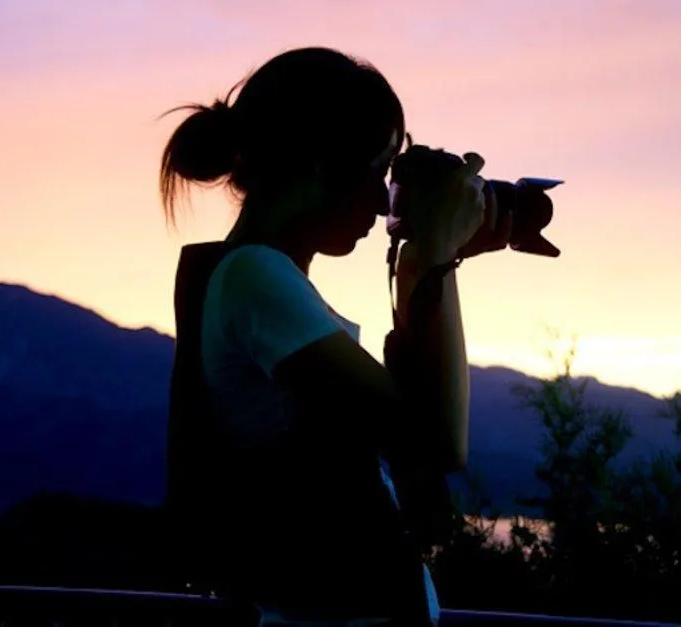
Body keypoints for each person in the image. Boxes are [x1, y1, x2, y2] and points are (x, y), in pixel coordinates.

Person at [158, 47, 512, 626]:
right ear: (318, 163)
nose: (382, 200)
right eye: (379, 169)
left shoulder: (260, 279)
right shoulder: (256, 277)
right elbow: (437, 439)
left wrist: (426, 261)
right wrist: (435, 254)